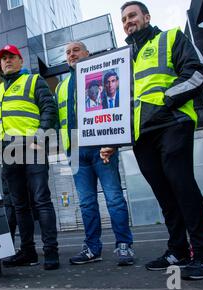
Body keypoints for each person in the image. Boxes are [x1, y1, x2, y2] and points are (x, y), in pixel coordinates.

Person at [114, 1, 203, 280]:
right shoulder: (124, 60)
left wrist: (166, 100)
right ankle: (178, 250)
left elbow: (197, 73)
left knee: (182, 187)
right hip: (142, 135)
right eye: (123, 18)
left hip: (172, 124)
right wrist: (114, 137)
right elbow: (121, 105)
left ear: (146, 17)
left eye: (132, 15)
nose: (128, 21)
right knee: (165, 196)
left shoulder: (170, 37)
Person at [55, 42, 135, 266]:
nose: (71, 54)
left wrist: (114, 142)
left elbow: (115, 109)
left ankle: (124, 246)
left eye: (76, 50)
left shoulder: (100, 75)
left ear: (88, 53)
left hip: (102, 146)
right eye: (68, 52)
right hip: (75, 151)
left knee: (114, 197)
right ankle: (92, 248)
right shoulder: (60, 87)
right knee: (87, 203)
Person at [0, 44, 59, 270]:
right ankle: (28, 252)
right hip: (8, 152)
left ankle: (51, 252)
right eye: (3, 58)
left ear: (20, 61)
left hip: (33, 147)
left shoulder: (33, 80)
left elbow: (49, 108)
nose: (7, 61)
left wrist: (40, 135)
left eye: (11, 57)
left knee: (41, 199)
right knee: (19, 205)